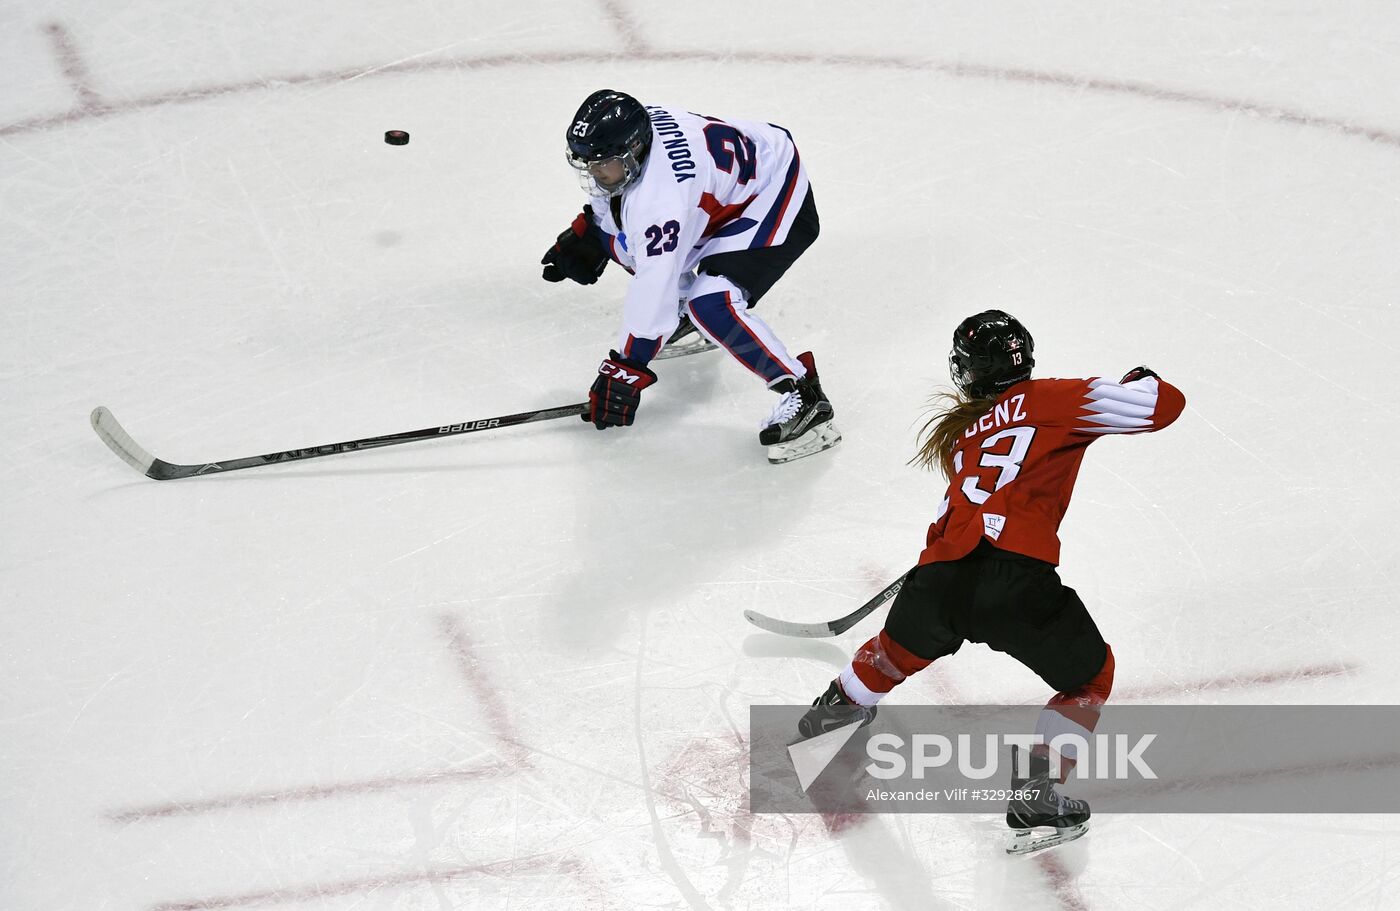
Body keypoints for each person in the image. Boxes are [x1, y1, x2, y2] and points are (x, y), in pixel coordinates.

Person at [796, 309, 1186, 854]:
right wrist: (1142, 380)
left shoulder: (962, 440)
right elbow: (1162, 407)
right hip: (1016, 579)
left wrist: (940, 567)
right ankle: (1036, 790)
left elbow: (948, 517)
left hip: (938, 575)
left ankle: (831, 712)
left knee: (895, 650)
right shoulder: (1053, 399)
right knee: (1090, 676)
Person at [539, 89, 840, 464]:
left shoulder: (661, 200)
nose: (596, 174)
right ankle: (689, 317)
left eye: (605, 165)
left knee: (711, 303)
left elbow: (654, 283)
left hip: (776, 193)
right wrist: (592, 229)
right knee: (629, 245)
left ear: (633, 150)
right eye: (589, 165)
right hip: (737, 185)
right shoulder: (638, 133)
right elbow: (619, 210)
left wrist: (627, 368)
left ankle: (804, 396)